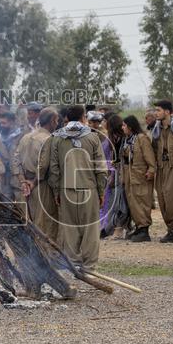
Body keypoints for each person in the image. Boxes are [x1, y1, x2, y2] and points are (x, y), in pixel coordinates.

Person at [48, 105, 108, 270]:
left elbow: (54, 169)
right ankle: (89, 266)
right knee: (90, 229)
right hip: (89, 188)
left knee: (69, 228)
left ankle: (73, 263)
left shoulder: (57, 138)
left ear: (67, 118)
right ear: (83, 118)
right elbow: (101, 169)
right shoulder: (92, 137)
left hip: (66, 190)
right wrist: (101, 192)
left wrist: (56, 191)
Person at [17, 107, 59, 240]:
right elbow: (43, 165)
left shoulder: (25, 137)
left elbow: (15, 160)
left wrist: (23, 181)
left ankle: (36, 256)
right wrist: (34, 182)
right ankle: (47, 257)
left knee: (31, 220)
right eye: (56, 121)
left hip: (27, 186)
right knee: (46, 224)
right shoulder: (49, 139)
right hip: (43, 185)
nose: (57, 124)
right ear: (52, 121)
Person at [152, 100, 173, 243]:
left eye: (158, 110)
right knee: (162, 197)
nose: (156, 113)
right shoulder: (156, 129)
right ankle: (170, 230)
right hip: (161, 166)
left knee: (172, 199)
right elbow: (154, 148)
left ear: (167, 112)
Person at [119, 115, 154, 242]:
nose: (122, 128)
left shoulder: (141, 139)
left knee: (141, 201)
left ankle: (144, 229)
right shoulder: (128, 139)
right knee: (133, 202)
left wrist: (151, 169)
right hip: (130, 174)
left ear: (130, 126)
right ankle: (139, 227)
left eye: (124, 125)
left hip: (140, 175)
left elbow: (149, 156)